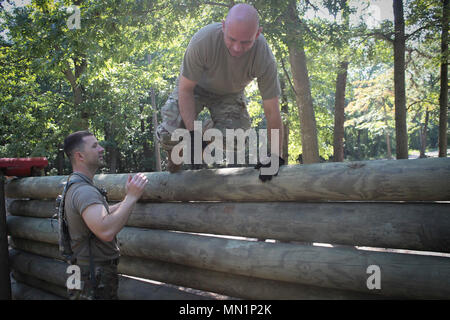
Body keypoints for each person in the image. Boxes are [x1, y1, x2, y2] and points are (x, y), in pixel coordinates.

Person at [156, 3, 285, 179]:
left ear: (257, 34)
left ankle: (206, 134)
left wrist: (276, 156)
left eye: (246, 42)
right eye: (232, 39)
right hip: (195, 88)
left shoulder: (264, 56)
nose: (237, 48)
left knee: (237, 139)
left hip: (229, 94)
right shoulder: (203, 41)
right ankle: (179, 150)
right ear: (223, 27)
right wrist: (192, 134)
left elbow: (272, 111)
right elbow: (185, 90)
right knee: (168, 134)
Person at [63, 130, 148, 299]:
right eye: (95, 146)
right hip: (94, 274)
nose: (101, 148)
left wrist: (126, 198)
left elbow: (100, 216)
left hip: (84, 270)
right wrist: (132, 197)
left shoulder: (74, 185)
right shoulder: (84, 191)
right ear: (79, 156)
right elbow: (105, 231)